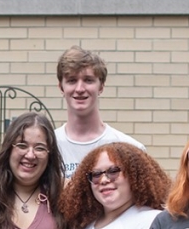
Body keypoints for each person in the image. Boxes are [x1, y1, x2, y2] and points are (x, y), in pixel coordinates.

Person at [53, 46, 145, 175]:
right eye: (72, 80)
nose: (79, 88)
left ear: (101, 86)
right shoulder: (49, 146)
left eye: (88, 80)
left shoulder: (130, 149)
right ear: (61, 87)